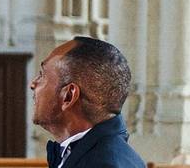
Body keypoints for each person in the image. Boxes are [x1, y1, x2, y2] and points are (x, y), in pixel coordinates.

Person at [30, 37, 145, 168]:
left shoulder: (102, 163)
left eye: (42, 75)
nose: (33, 84)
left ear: (68, 96)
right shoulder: (95, 153)